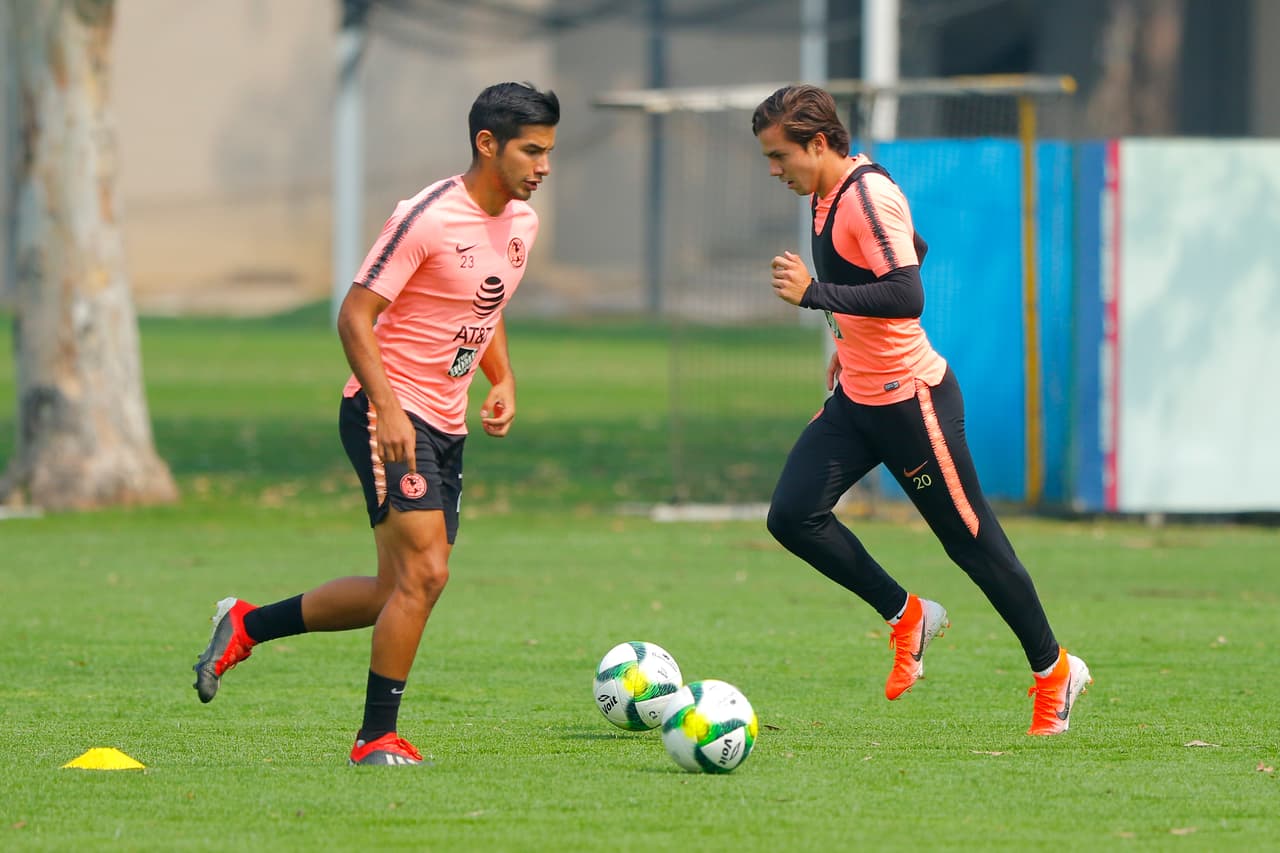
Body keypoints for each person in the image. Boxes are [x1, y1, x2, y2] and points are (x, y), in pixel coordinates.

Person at [191, 82, 560, 765]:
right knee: (427, 573)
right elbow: (353, 314)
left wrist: (501, 377)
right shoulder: (425, 216)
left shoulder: (521, 225)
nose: (542, 167)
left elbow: (483, 306)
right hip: (387, 408)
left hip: (446, 423)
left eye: (548, 153)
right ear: (487, 144)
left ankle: (246, 622)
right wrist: (388, 408)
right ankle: (375, 737)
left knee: (394, 590)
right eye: (531, 152)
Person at [751, 84, 1090, 736]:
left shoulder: (866, 194)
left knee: (974, 547)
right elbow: (909, 252)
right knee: (793, 515)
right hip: (857, 398)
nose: (774, 170)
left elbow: (908, 291)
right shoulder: (826, 193)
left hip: (913, 403)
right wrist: (848, 336)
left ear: (818, 143)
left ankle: (1055, 670)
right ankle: (906, 615)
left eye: (778, 155)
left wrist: (815, 296)